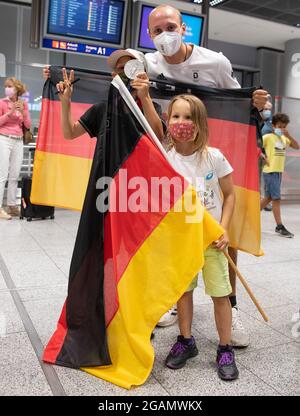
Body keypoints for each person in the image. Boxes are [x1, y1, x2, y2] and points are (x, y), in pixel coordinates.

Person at [146, 5, 268, 345]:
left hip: (216, 152)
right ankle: (175, 300)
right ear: (150, 36)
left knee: (225, 230)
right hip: (174, 157)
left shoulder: (215, 62)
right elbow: (121, 76)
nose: (165, 34)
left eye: (170, 26)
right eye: (157, 30)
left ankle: (231, 303)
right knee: (178, 231)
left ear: (184, 28)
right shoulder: (148, 63)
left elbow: (239, 103)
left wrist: (255, 103)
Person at [160, 94, 238, 380]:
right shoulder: (165, 160)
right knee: (183, 291)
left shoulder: (214, 157)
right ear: (168, 121)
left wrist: (225, 227)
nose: (182, 123)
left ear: (200, 122)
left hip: (212, 240)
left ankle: (225, 347)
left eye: (189, 117)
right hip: (181, 242)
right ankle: (186, 340)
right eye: (176, 116)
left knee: (221, 293)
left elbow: (230, 196)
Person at [44, 49, 163, 141]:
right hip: (107, 173)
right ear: (114, 75)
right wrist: (65, 101)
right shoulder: (102, 109)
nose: (127, 73)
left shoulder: (153, 109)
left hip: (137, 173)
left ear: (144, 73)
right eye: (121, 68)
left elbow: (158, 137)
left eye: (132, 67)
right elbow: (70, 133)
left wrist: (145, 96)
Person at [260, 113, 299, 237]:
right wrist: (263, 157)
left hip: (278, 172)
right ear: (273, 125)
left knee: (269, 197)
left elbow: (297, 146)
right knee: (276, 198)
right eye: (279, 126)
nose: (281, 129)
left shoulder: (283, 138)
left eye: (284, 127)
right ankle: (279, 226)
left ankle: (250, 216)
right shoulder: (267, 137)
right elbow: (256, 146)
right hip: (270, 171)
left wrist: (288, 135)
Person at [0, 77, 31, 220]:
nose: (7, 89)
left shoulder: (24, 104)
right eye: (6, 86)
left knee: (14, 175)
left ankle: (12, 206)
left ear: (17, 89)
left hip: (18, 141)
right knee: (2, 175)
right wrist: (10, 112)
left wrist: (23, 112)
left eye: (10, 86)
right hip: (4, 139)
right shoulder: (2, 102)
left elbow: (28, 125)